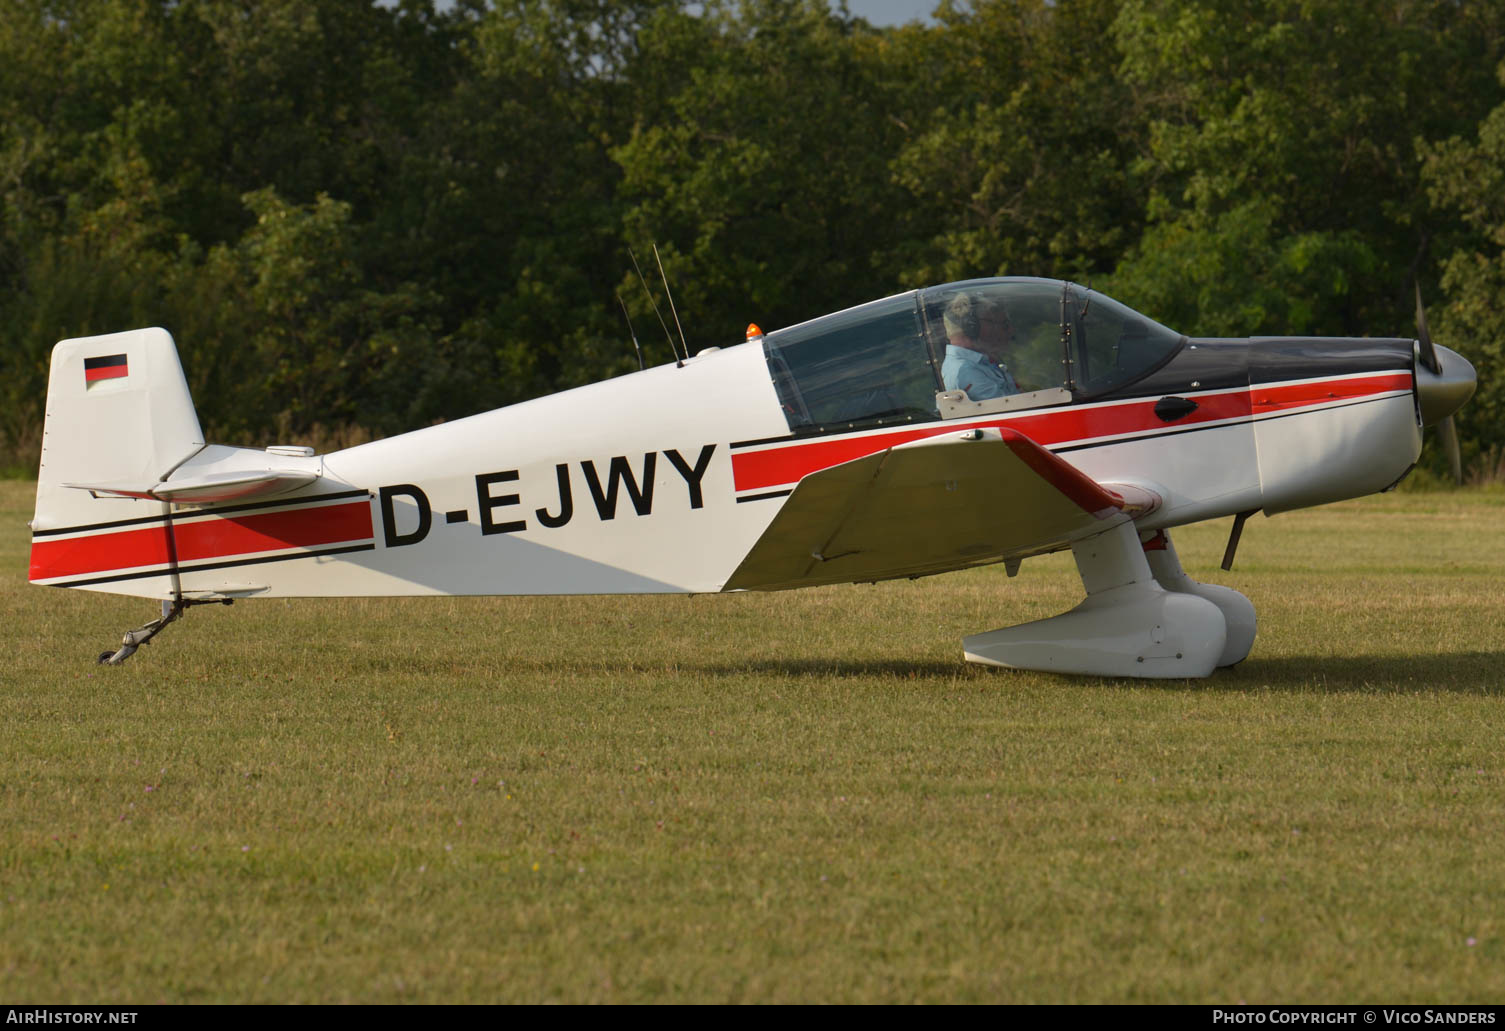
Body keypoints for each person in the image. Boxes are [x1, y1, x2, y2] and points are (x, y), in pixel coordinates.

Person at [940, 291, 1020, 400]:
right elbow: (1012, 410)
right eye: (1002, 324)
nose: (1010, 331)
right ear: (972, 327)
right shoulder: (966, 371)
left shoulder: (981, 362)